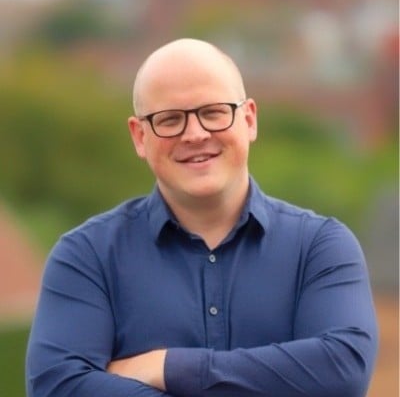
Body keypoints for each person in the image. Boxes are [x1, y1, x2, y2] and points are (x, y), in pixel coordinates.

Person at [26, 38, 378, 397]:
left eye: (213, 112)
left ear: (249, 119)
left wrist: (166, 367)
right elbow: (58, 386)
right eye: (170, 119)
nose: (195, 134)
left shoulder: (320, 248)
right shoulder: (88, 257)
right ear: (140, 136)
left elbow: (343, 371)